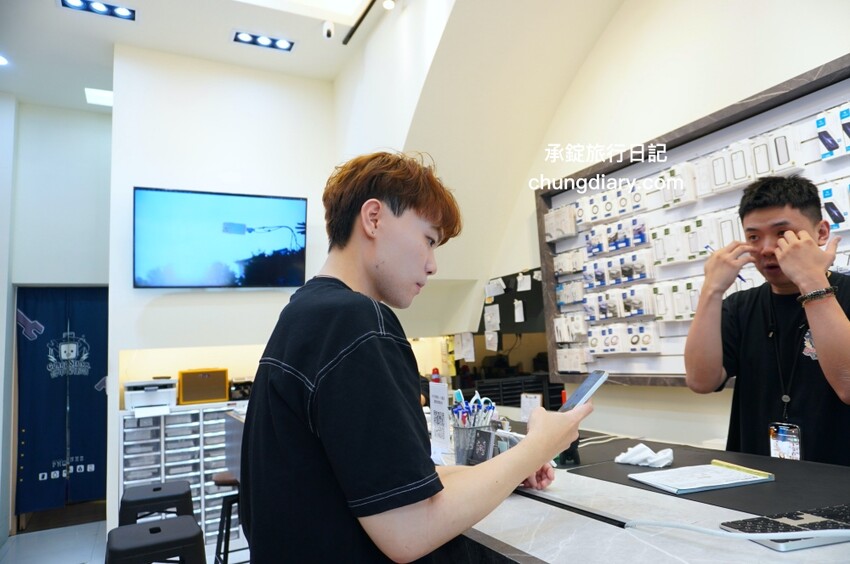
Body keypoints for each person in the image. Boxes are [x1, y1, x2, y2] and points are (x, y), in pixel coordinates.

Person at [240, 151, 592, 562]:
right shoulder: (356, 322)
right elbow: (409, 531)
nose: (432, 264)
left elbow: (393, 483)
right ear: (374, 218)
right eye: (428, 240)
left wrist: (509, 468)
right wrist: (540, 444)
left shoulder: (306, 312)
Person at [684, 175, 850, 466]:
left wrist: (811, 280)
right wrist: (712, 290)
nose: (766, 248)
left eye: (783, 233)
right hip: (758, 474)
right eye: (753, 237)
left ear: (821, 232)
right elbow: (701, 381)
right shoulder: (739, 307)